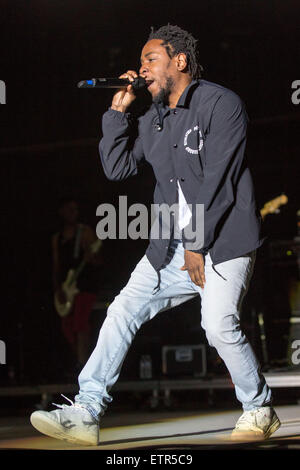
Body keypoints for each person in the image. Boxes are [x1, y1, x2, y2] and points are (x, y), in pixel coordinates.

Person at [30, 24, 281, 445]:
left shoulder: (221, 104)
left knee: (217, 325)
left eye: (151, 59)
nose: (141, 68)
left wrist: (198, 245)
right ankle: (86, 410)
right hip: (168, 249)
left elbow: (220, 181)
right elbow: (117, 168)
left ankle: (258, 408)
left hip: (222, 242)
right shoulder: (153, 120)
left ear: (178, 61)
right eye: (141, 60)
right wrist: (117, 112)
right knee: (121, 312)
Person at [52, 198, 103, 372]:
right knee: (67, 326)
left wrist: (91, 256)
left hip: (85, 285)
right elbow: (56, 266)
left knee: (80, 323)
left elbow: (97, 260)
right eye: (70, 209)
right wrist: (58, 289)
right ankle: (81, 360)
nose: (73, 213)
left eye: (75, 209)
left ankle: (82, 364)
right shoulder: (57, 238)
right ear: (62, 211)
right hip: (67, 288)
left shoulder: (85, 232)